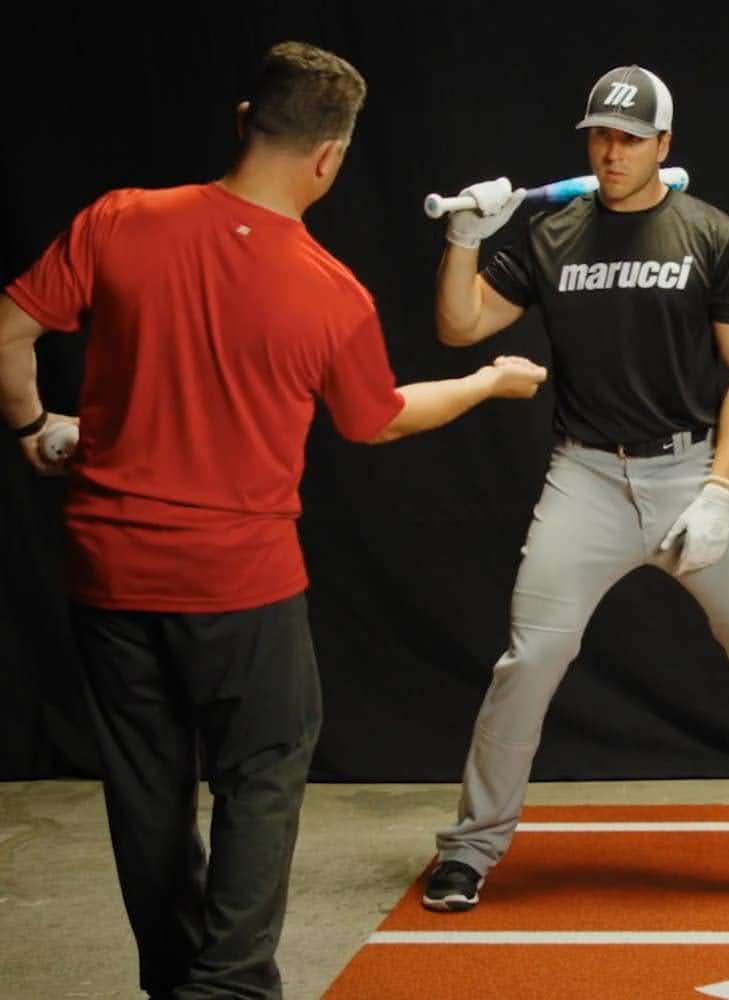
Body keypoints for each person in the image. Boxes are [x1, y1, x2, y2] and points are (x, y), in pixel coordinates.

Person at [0, 42, 545, 1000]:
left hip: (107, 576)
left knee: (146, 794)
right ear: (330, 157)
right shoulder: (331, 293)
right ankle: (234, 986)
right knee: (259, 781)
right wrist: (483, 382)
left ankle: (182, 983)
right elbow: (376, 420)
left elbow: (8, 331)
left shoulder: (122, 219)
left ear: (249, 117)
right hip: (239, 585)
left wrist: (37, 427)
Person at [423, 64, 729, 911]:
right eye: (600, 135)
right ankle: (472, 848)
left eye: (631, 138)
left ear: (664, 145)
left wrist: (720, 491)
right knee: (530, 660)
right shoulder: (550, 235)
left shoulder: (713, 235)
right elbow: (460, 326)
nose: (611, 151)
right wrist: (465, 237)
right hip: (587, 477)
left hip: (692, 473)